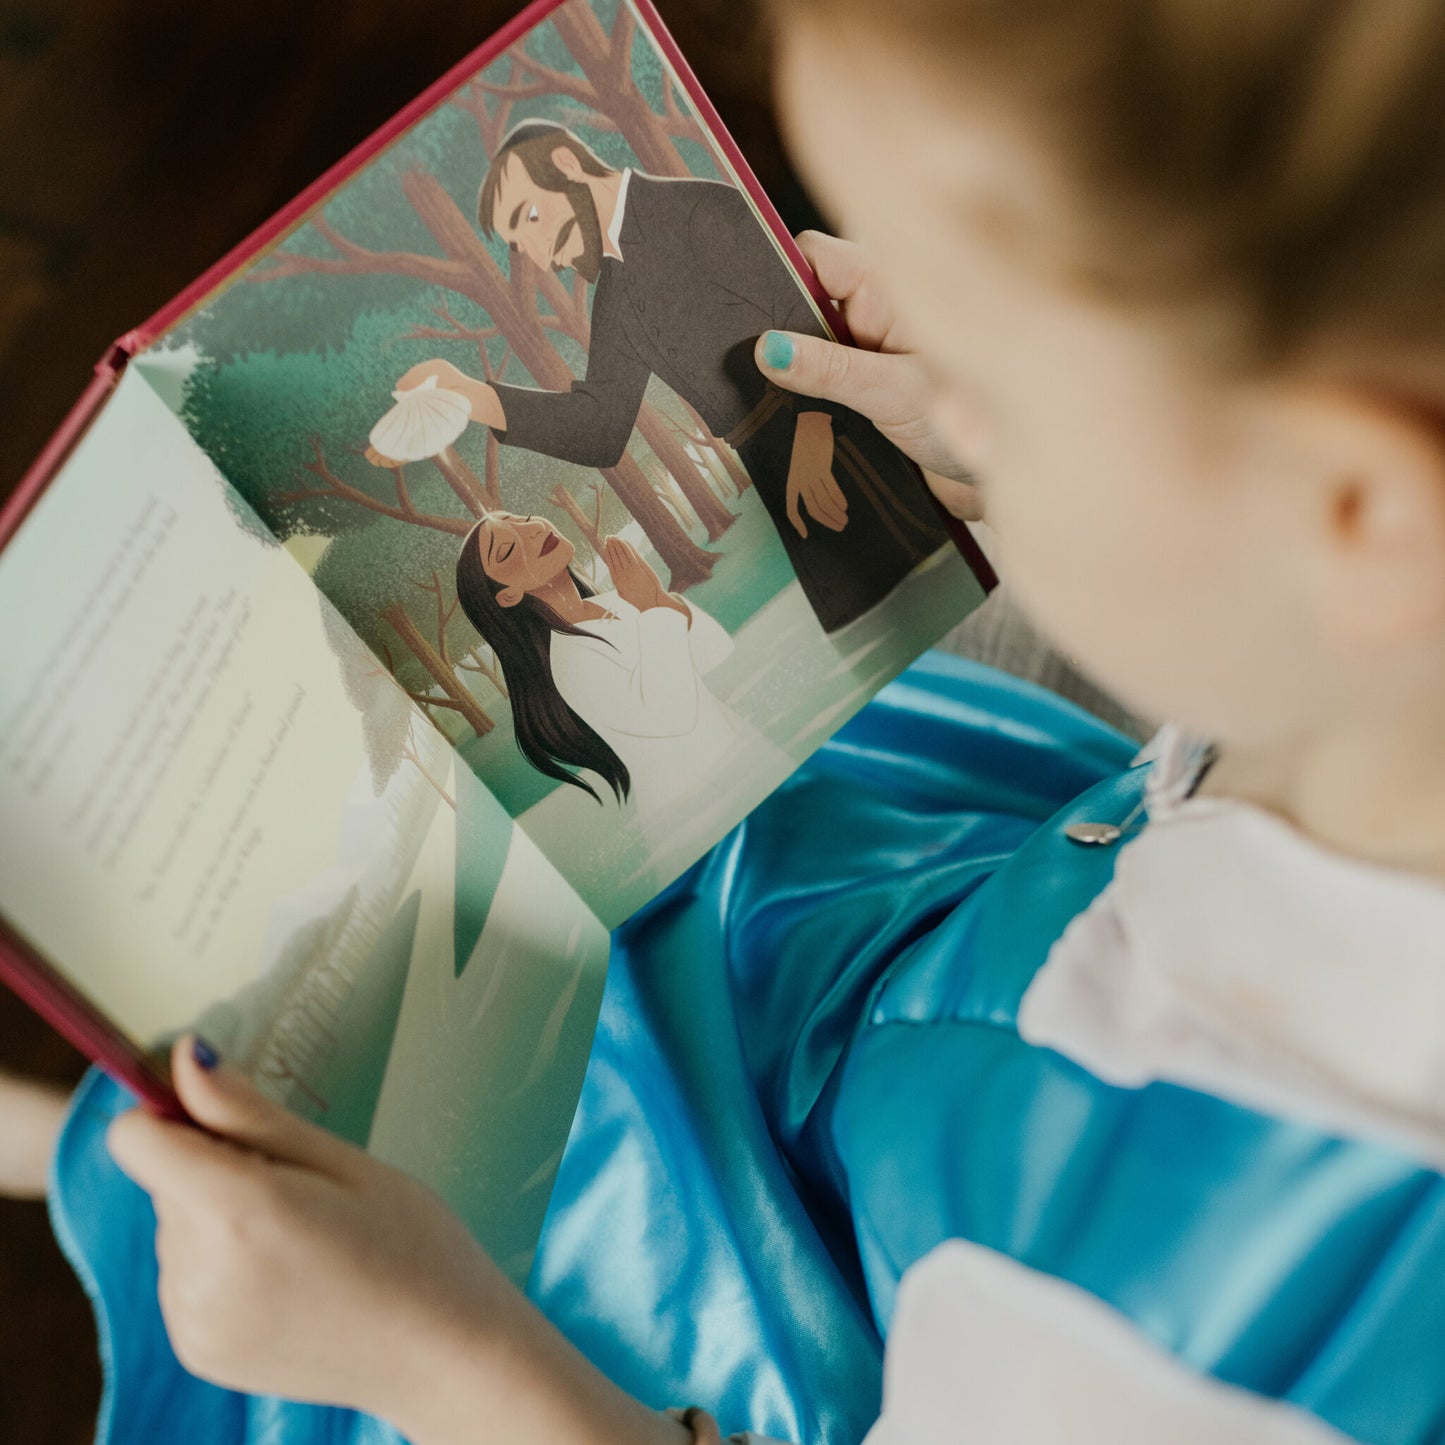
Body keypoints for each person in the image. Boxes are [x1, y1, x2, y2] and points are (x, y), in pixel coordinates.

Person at [10, 0, 1445, 1442]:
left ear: (1363, 510)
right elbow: (594, 412)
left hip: (820, 1281)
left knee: (398, 1120)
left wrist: (442, 1366)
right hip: (940, 973)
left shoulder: (1162, 1329)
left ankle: (104, 1165)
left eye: (984, 374)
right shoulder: (1374, 705)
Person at [374, 121, 950, 634]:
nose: (535, 250)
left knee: (938, 590)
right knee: (875, 633)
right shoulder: (617, 291)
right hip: (773, 463)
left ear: (571, 166)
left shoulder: (699, 209)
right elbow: (601, 423)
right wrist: (472, 395)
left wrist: (816, 428)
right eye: (519, 243)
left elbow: (793, 308)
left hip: (842, 441)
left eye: (528, 217)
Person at [452, 511, 783, 819]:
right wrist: (651, 608)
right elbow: (670, 716)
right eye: (508, 550)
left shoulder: (614, 600)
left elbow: (713, 651)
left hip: (745, 756)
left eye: (523, 519)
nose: (534, 529)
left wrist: (657, 600)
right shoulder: (569, 662)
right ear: (508, 595)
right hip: (695, 805)